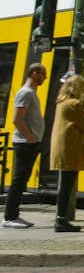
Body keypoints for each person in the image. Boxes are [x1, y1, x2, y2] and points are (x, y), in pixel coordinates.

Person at [48, 73, 84, 233]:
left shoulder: (61, 103)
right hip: (70, 149)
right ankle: (61, 220)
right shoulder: (74, 104)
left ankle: (60, 219)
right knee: (66, 186)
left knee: (65, 185)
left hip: (63, 149)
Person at [3, 63, 49, 229]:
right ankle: (9, 217)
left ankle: (14, 215)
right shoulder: (25, 93)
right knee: (19, 180)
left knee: (22, 180)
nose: (45, 77)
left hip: (31, 142)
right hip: (25, 143)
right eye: (43, 74)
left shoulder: (31, 93)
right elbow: (17, 119)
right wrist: (30, 138)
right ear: (35, 73)